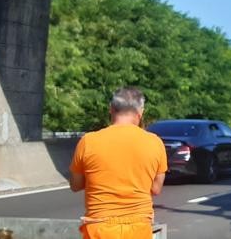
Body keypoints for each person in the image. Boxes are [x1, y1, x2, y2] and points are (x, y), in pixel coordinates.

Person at [69, 87, 166, 239]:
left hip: (99, 227)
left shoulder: (88, 141)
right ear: (140, 112)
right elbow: (156, 188)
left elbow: (75, 185)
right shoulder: (155, 143)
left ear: (111, 110)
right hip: (138, 227)